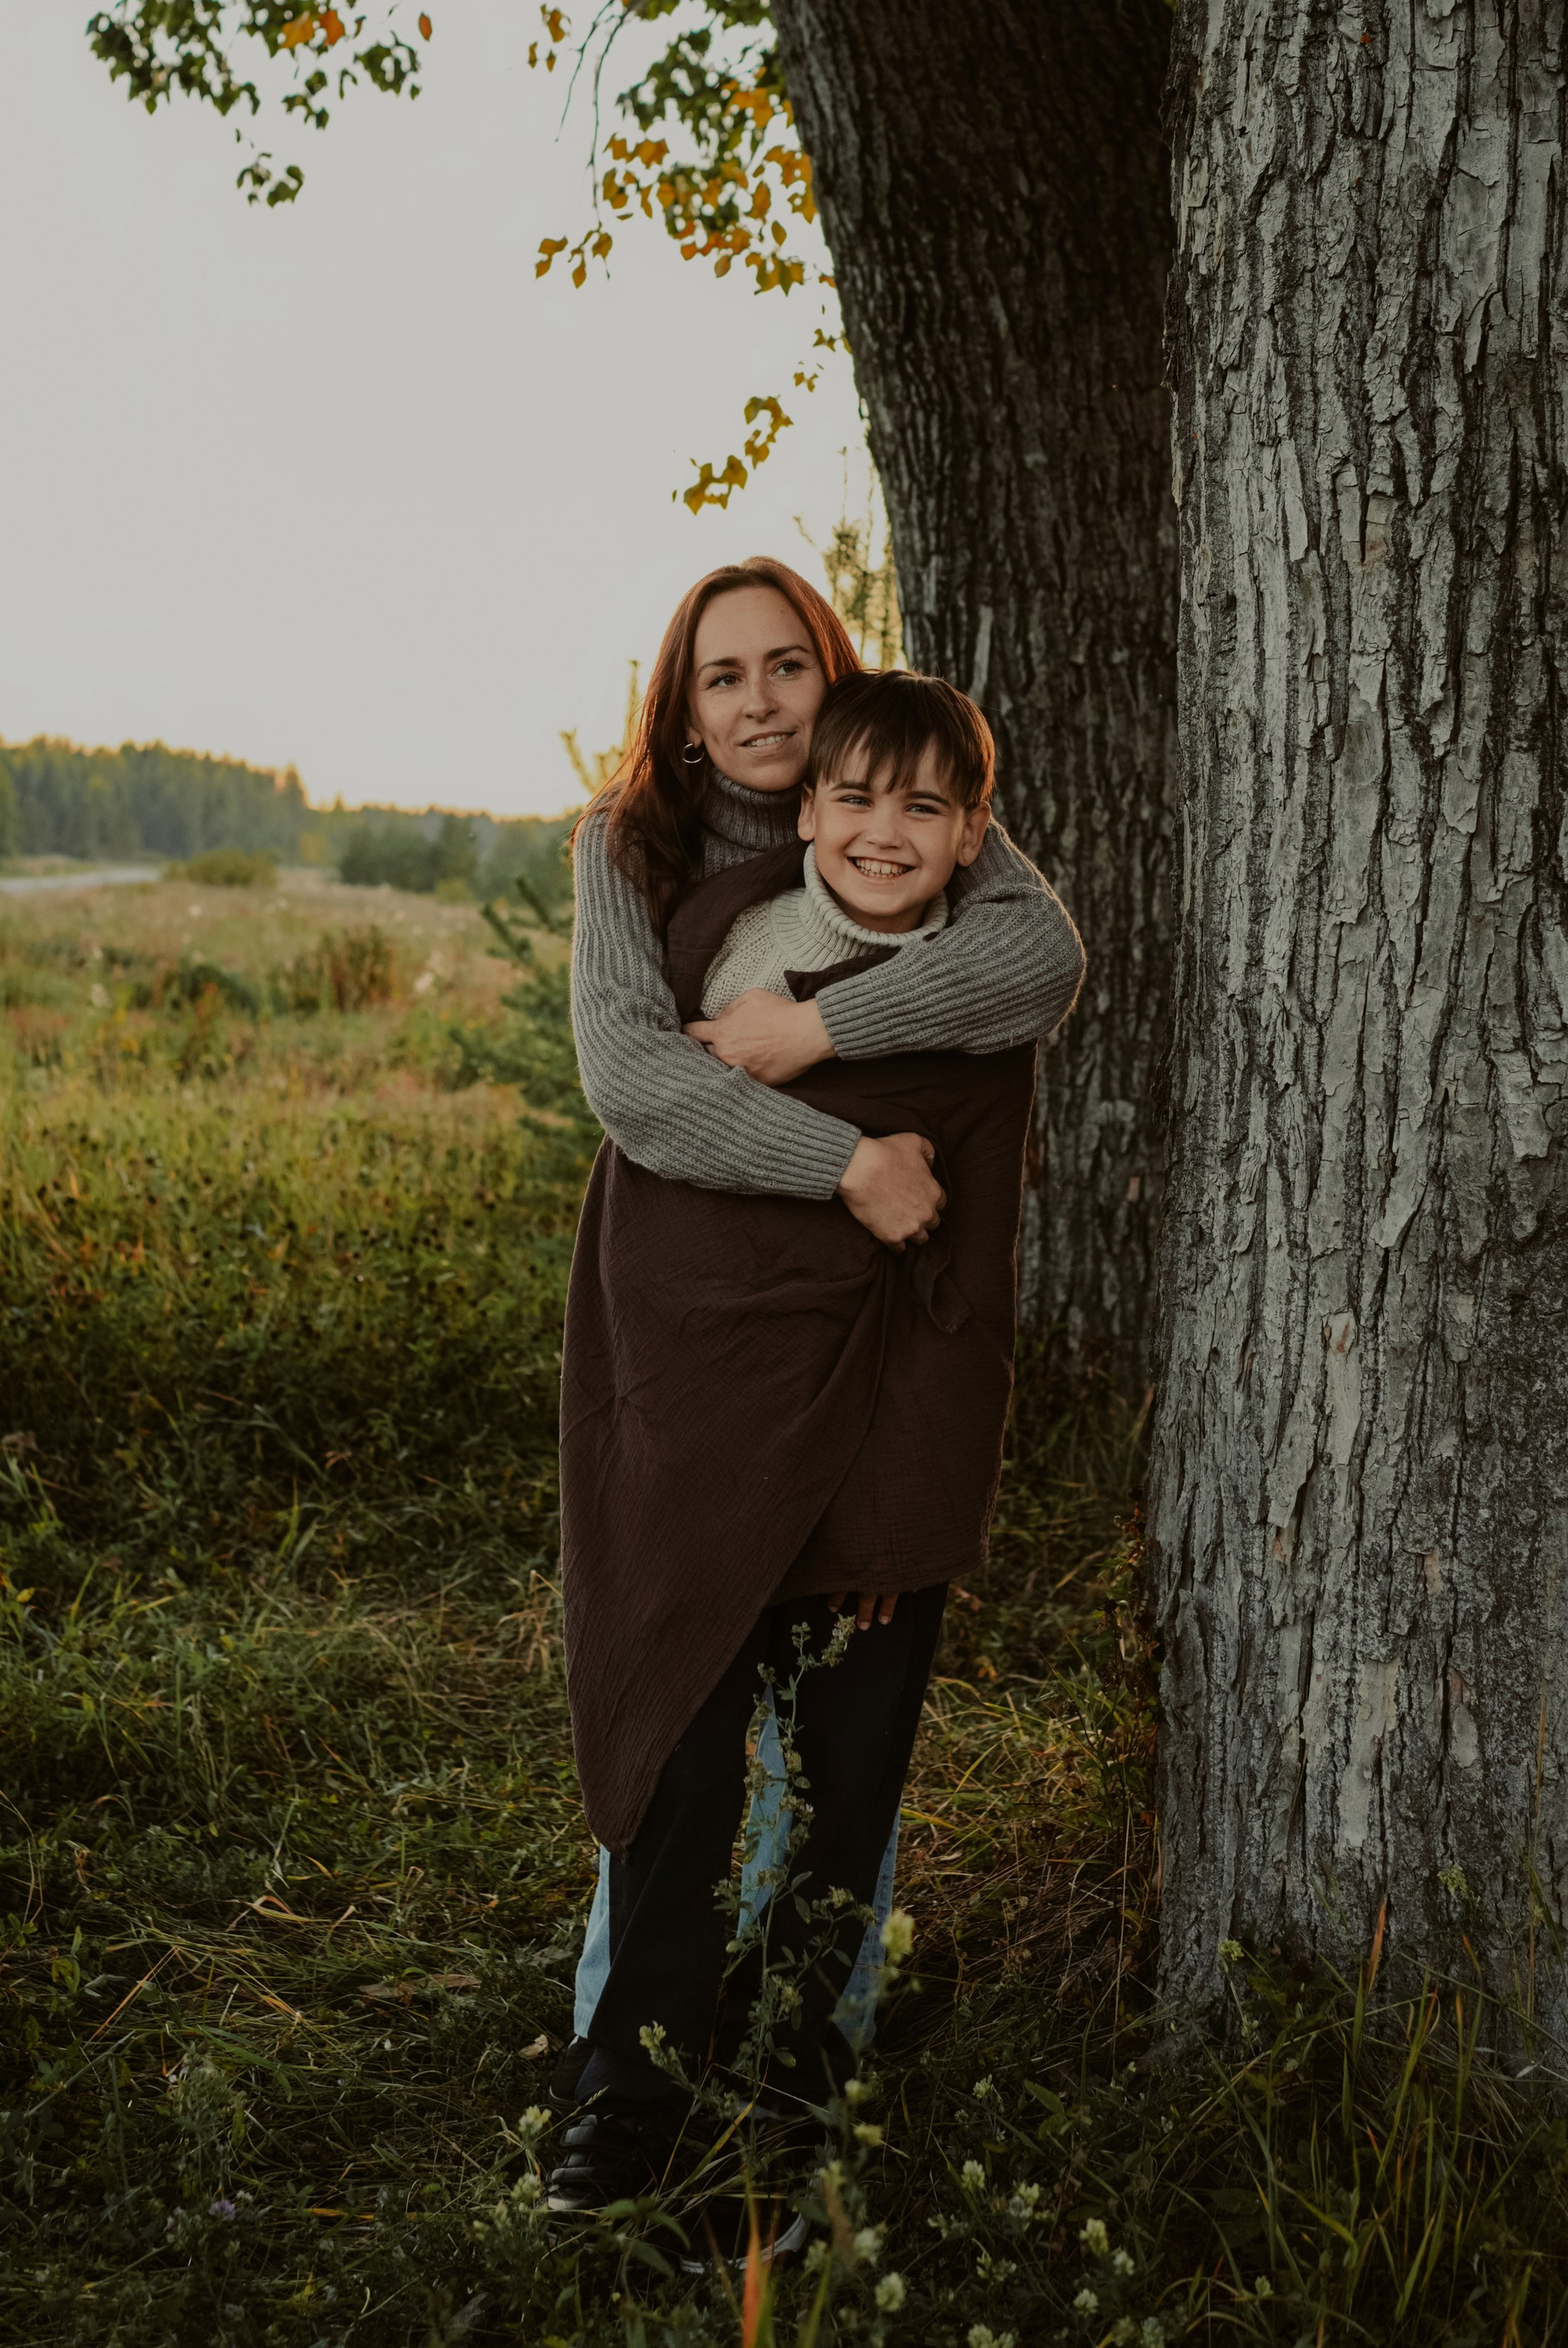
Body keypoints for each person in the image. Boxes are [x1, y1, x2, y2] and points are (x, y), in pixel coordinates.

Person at [545, 563, 1081, 2219]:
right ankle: (621, 2092)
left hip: (884, 1359)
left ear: (830, 675)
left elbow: (1037, 966)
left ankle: (800, 2080)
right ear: (681, 708)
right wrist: (840, 1153)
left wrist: (814, 1022)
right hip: (696, 1351)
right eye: (725, 678)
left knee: (848, 1735)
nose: (764, 702)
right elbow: (635, 1082)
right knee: (683, 1703)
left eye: (789, 664)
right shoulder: (628, 849)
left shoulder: (898, 799)